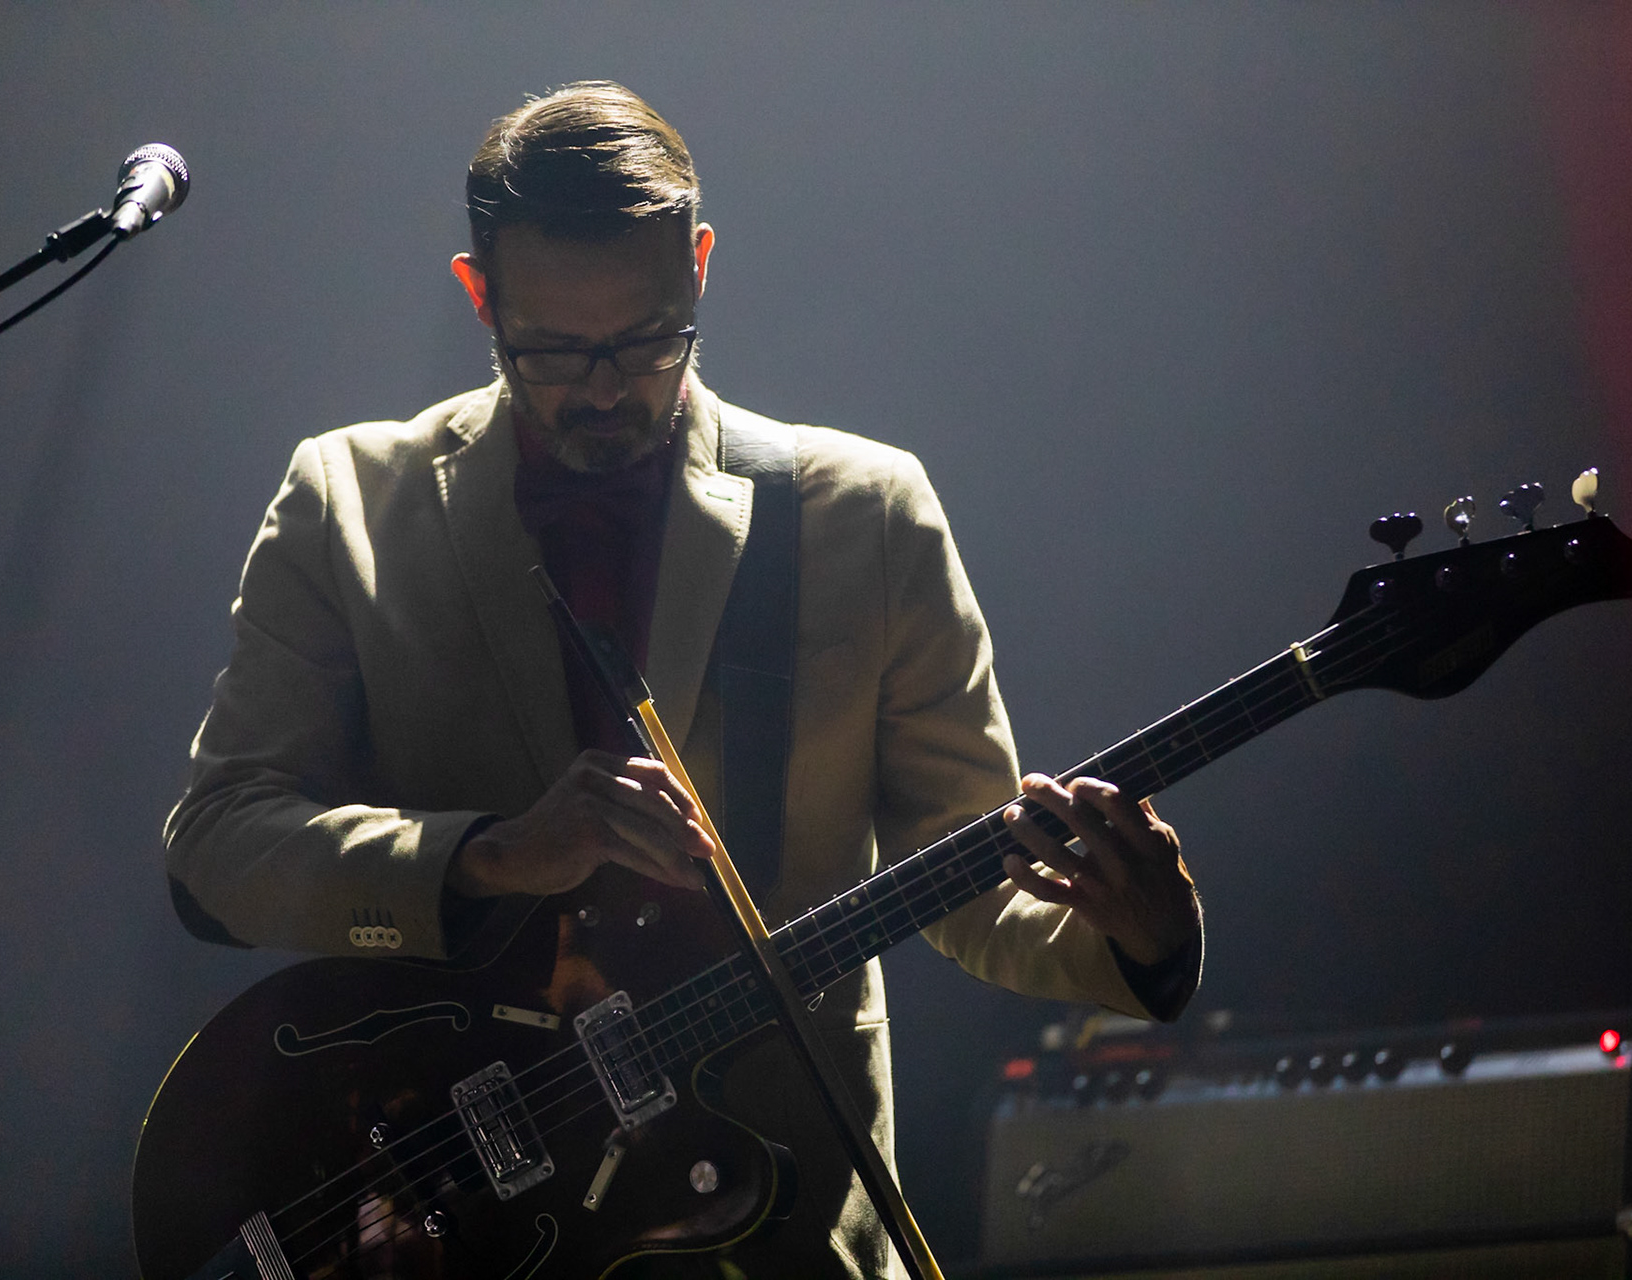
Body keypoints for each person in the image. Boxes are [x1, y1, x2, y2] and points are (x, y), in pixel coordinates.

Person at [166, 80, 1202, 1280]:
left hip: (784, 1227)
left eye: (648, 339)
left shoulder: (864, 513)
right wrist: (490, 853)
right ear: (477, 294)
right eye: (553, 349)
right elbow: (219, 846)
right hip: (461, 1231)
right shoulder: (347, 501)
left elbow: (973, 879)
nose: (605, 387)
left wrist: (1139, 938)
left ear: (700, 266)